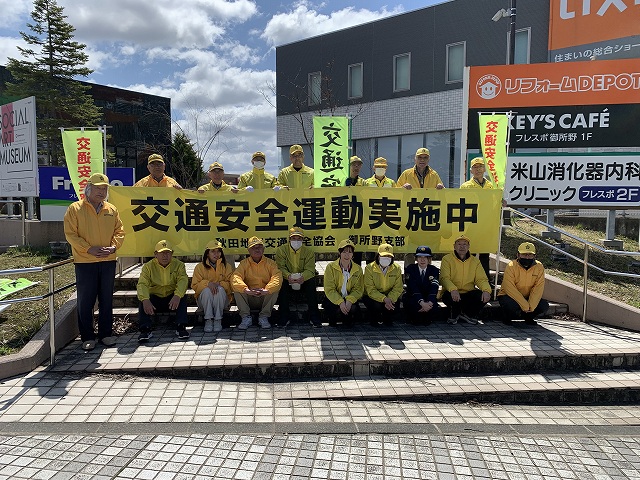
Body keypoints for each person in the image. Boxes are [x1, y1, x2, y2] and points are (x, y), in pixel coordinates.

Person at [63, 173, 125, 350]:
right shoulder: (75, 209)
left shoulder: (111, 209)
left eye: (104, 188)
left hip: (108, 260)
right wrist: (88, 248)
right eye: (98, 188)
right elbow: (70, 234)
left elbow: (120, 231)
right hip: (85, 262)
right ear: (88, 189)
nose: (101, 192)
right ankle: (87, 337)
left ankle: (106, 334)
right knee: (86, 300)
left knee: (106, 299)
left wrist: (113, 247)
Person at [137, 240, 190, 342]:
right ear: (155, 254)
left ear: (172, 253)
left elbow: (183, 281)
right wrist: (145, 300)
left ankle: (181, 327)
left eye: (168, 252)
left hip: (172, 299)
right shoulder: (148, 267)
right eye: (162, 253)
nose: (165, 256)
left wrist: (177, 295)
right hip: (155, 299)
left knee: (182, 297)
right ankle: (145, 330)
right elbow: (142, 284)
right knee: (143, 299)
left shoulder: (179, 265)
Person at [232, 236, 282, 329]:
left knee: (274, 289)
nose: (257, 249)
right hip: (249, 296)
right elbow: (235, 277)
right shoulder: (243, 263)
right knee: (237, 289)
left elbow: (277, 277)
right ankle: (245, 317)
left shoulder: (271, 263)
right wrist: (246, 290)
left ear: (263, 249)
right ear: (248, 250)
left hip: (264, 297)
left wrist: (267, 290)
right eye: (253, 248)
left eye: (259, 247)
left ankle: (264, 316)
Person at [439, 235, 491, 325]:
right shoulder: (446, 259)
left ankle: (467, 315)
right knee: (450, 297)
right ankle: (455, 314)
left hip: (468, 293)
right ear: (454, 246)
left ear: (469, 246)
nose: (462, 247)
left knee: (482, 296)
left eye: (465, 244)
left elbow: (481, 279)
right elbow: (444, 278)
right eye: (459, 244)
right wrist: (453, 289)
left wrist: (486, 290)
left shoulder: (475, 261)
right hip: (452, 293)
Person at [275, 227, 321, 327]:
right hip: (288, 279)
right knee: (281, 282)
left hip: (303, 280)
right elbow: (280, 267)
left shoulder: (308, 251)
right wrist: (288, 276)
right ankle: (284, 316)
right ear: (289, 239)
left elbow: (310, 269)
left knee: (311, 281)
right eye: (293, 238)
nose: (296, 241)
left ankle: (314, 316)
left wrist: (303, 277)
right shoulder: (281, 250)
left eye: (299, 238)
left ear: (303, 240)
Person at [498, 242, 549, 326]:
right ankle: (507, 317)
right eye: (524, 254)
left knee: (543, 305)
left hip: (527, 296)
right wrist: (524, 305)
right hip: (509, 296)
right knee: (510, 305)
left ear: (534, 256)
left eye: (530, 255)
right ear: (518, 255)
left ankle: (528, 317)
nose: (527, 257)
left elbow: (538, 287)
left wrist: (531, 306)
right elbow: (509, 288)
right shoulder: (511, 266)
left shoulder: (539, 267)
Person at [460, 157, 493, 280]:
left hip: (486, 224)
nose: (478, 169)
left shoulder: (491, 186)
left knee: (484, 253)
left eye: (480, 167)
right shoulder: (466, 186)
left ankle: (485, 280)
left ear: (484, 169)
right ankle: (468, 280)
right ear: (471, 170)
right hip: (471, 224)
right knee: (470, 253)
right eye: (475, 167)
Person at [191, 240, 234, 333]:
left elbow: (231, 284)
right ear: (207, 253)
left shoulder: (227, 266)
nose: (216, 254)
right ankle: (208, 320)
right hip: (204, 301)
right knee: (207, 290)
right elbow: (195, 285)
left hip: (223, 300)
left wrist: (219, 284)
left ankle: (218, 319)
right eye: (213, 251)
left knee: (219, 289)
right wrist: (208, 284)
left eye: (218, 251)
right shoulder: (199, 267)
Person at [322, 239, 364, 328]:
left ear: (353, 254)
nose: (347, 255)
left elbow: (358, 289)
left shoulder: (358, 269)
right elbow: (329, 289)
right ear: (339, 253)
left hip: (348, 298)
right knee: (332, 309)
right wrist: (340, 302)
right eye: (344, 252)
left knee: (352, 310)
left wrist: (350, 300)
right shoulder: (330, 267)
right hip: (334, 298)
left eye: (350, 252)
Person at [363, 243, 403, 326]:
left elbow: (398, 287)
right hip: (372, 297)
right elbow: (370, 289)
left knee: (393, 306)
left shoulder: (397, 268)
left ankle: (387, 319)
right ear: (378, 256)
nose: (386, 258)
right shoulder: (369, 268)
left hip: (389, 296)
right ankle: (374, 320)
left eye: (389, 256)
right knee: (376, 305)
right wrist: (384, 299)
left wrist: (390, 298)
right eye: (383, 256)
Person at [403, 245, 440, 325]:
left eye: (425, 257)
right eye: (420, 257)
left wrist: (429, 303)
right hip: (415, 298)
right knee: (416, 319)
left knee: (428, 319)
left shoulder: (434, 270)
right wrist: (422, 303)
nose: (422, 260)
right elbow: (412, 287)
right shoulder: (410, 269)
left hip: (428, 298)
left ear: (429, 259)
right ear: (416, 259)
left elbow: (434, 288)